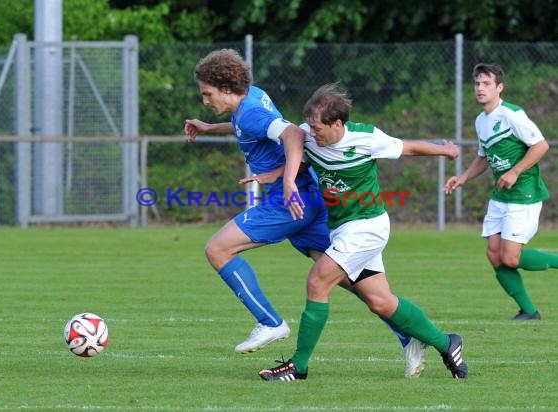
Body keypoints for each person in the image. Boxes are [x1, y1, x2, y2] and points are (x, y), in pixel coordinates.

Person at [184, 49, 427, 377]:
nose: (205, 100)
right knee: (358, 284)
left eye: (207, 93)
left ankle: (270, 323)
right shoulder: (251, 99)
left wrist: (286, 181)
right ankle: (408, 335)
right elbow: (251, 127)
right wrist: (209, 127)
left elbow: (293, 133)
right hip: (310, 200)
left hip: (290, 201)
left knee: (217, 249)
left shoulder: (251, 110)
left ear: (225, 88)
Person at [258, 82, 468, 381]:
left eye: (317, 127)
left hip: (367, 227)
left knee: (318, 281)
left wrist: (446, 151)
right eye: (310, 126)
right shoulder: (310, 135)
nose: (311, 133)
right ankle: (447, 343)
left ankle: (298, 366)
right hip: (342, 229)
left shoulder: (366, 138)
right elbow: (300, 158)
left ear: (338, 123)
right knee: (381, 302)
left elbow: (407, 148)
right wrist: (279, 175)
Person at [444, 63, 558, 320]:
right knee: (495, 254)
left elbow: (541, 146)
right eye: (477, 84)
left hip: (524, 193)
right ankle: (528, 311)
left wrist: (515, 171)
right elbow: (484, 158)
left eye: (486, 84)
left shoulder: (512, 115)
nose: (480, 88)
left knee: (510, 257)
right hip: (501, 196)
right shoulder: (481, 121)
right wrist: (462, 178)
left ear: (499, 88)